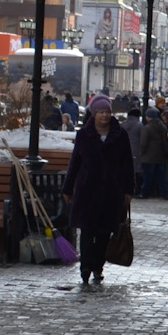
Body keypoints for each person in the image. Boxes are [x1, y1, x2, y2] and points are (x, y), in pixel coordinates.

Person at [63, 96, 136, 288]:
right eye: (101, 112)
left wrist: (128, 190)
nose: (104, 115)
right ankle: (85, 268)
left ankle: (98, 266)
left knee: (104, 232)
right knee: (87, 231)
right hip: (87, 189)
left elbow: (127, 164)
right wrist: (68, 188)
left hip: (111, 191)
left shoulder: (120, 135)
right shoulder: (84, 135)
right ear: (94, 114)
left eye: (107, 112)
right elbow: (75, 163)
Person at [137, 108, 168, 199]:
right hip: (161, 156)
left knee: (148, 177)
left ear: (149, 117)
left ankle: (145, 193)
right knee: (161, 177)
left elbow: (143, 143)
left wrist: (141, 153)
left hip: (149, 157)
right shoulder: (163, 126)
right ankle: (165, 193)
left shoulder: (147, 128)